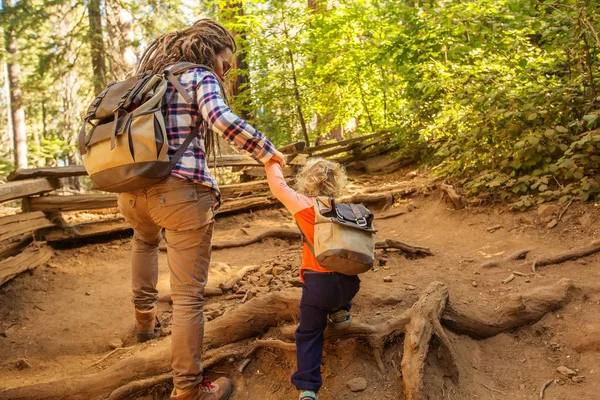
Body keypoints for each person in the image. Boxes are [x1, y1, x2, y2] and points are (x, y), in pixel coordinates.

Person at [117, 18, 285, 400]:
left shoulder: (148, 81)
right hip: (180, 195)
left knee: (143, 245)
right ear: (211, 50)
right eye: (226, 64)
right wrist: (265, 150)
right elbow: (220, 118)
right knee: (189, 297)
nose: (226, 73)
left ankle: (145, 324)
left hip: (130, 191)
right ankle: (188, 389)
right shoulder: (199, 75)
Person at [265, 158, 361, 400]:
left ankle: (307, 388)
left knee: (308, 334)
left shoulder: (303, 205)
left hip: (319, 286)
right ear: (336, 183)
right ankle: (341, 313)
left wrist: (270, 159)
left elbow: (277, 186)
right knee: (338, 281)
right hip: (350, 283)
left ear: (305, 181)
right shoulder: (340, 209)